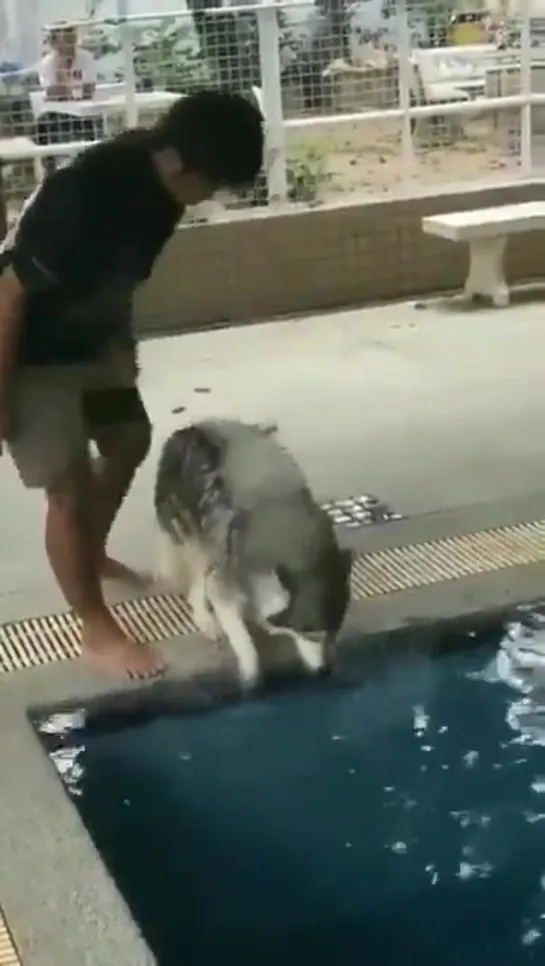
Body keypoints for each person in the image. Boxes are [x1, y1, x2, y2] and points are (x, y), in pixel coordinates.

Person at [0, 89, 264, 678]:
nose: (210, 197)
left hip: (88, 339)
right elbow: (8, 295)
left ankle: (87, 555)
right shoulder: (87, 198)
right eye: (212, 183)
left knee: (128, 439)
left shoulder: (163, 190)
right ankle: (95, 628)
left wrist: (121, 348)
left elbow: (119, 277)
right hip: (23, 349)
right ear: (177, 162)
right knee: (66, 486)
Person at [36, 24, 102, 158]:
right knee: (46, 122)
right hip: (56, 113)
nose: (68, 42)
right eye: (63, 38)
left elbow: (89, 89)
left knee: (91, 122)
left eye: (70, 36)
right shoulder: (47, 63)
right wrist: (73, 87)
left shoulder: (86, 58)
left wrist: (65, 89)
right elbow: (52, 91)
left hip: (83, 112)